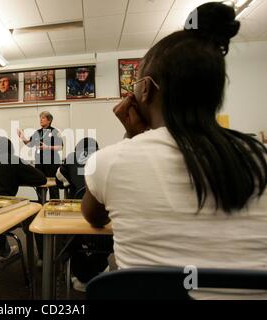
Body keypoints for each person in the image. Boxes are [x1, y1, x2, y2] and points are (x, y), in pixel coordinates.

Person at [82, 2, 267, 299]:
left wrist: (132, 135)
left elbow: (94, 218)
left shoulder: (111, 161)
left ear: (146, 90)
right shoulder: (260, 158)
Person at [55, 137, 113, 291]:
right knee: (105, 236)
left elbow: (59, 181)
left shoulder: (70, 158)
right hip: (104, 212)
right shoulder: (105, 157)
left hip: (78, 211)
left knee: (70, 237)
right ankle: (99, 267)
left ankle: (78, 272)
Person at [0, 136, 46, 258]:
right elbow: (41, 179)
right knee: (36, 211)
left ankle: (4, 250)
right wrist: (19, 177)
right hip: (4, 212)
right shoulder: (12, 160)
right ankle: (43, 258)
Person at [18, 111, 63, 201]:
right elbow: (30, 144)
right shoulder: (37, 132)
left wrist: (47, 147)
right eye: (40, 118)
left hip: (52, 163)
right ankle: (40, 204)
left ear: (49, 120)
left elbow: (60, 147)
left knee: (53, 187)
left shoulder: (55, 131)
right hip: (40, 163)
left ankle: (55, 205)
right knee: (40, 185)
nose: (41, 120)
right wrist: (22, 137)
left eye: (43, 118)